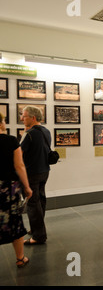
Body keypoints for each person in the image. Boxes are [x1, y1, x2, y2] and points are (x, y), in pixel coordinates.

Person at [0, 113, 33, 267]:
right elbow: (19, 166)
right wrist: (26, 187)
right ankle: (20, 258)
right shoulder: (11, 141)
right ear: (1, 123)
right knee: (14, 222)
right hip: (8, 188)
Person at [20, 106, 51, 245]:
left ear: (33, 118)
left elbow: (19, 154)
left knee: (33, 203)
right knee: (41, 200)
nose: (21, 118)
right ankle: (36, 228)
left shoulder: (30, 133)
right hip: (44, 171)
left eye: (24, 116)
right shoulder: (46, 131)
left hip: (32, 173)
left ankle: (39, 235)